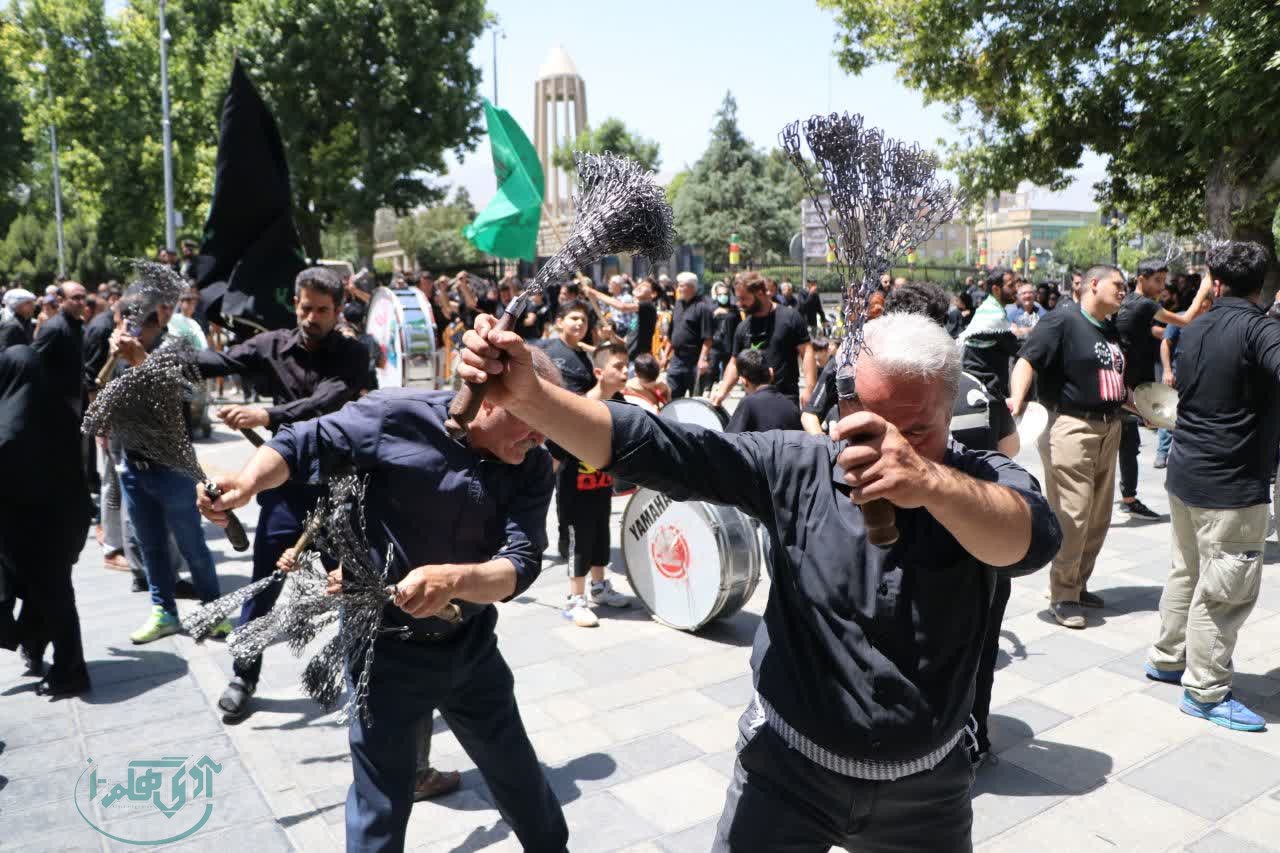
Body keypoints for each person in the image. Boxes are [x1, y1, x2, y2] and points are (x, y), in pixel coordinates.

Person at [459, 309, 1061, 853]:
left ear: (950, 411)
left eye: (915, 431)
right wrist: (532, 397)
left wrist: (930, 482)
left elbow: (1031, 540)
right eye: (868, 425)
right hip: (786, 774)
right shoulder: (797, 466)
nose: (889, 449)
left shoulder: (980, 479)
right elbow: (661, 447)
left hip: (926, 793)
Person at [199, 353, 570, 852]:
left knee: (517, 773)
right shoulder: (397, 417)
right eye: (530, 418)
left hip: (470, 648)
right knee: (380, 806)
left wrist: (456, 580)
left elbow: (521, 563)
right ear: (489, 400)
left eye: (547, 420)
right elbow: (302, 441)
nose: (540, 437)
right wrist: (246, 483)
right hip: (382, 651)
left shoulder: (532, 466)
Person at [179, 267, 368, 722]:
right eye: (305, 308)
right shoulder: (273, 345)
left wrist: (267, 415)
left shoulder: (353, 354)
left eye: (322, 310)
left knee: (355, 588)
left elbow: (326, 402)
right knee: (262, 588)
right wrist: (156, 358)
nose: (312, 317)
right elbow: (218, 361)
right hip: (284, 492)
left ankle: (368, 675)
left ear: (338, 311)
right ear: (296, 305)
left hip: (339, 493)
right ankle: (243, 676)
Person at [1145, 242, 1278, 732]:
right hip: (1231, 483)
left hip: (1186, 473)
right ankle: (1205, 690)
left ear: (1215, 282)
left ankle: (1167, 657)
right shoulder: (1260, 329)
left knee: (1187, 571)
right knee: (1224, 591)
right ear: (1262, 284)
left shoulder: (1196, 326)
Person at [1009, 265, 1128, 629]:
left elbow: (1114, 378)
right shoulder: (1061, 320)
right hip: (1071, 427)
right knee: (1073, 515)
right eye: (1118, 284)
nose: (1124, 291)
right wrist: (1018, 399)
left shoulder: (1109, 328)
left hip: (1110, 427)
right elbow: (1026, 361)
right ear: (1094, 284)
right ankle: (1063, 595)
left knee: (1098, 517)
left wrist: (1145, 407)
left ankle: (1078, 583)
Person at [109, 302, 227, 646]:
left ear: (150, 326)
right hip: (134, 466)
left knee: (192, 544)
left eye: (128, 326)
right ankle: (164, 611)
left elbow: (180, 395)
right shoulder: (119, 356)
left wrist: (139, 360)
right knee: (151, 546)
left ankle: (213, 611)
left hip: (173, 468)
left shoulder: (173, 351)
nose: (122, 333)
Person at [0, 346, 90, 697]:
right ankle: (35, 645)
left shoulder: (9, 429)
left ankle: (71, 670)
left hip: (31, 529)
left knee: (51, 596)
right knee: (49, 593)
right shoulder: (58, 411)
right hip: (65, 522)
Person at [1113, 259, 1213, 518]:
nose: (1161, 287)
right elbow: (1185, 320)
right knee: (1125, 444)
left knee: (1126, 443)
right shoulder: (1145, 304)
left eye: (1163, 281)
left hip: (1120, 382)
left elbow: (1141, 331)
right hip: (1124, 386)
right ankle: (1126, 499)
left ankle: (1127, 498)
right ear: (1141, 278)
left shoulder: (1128, 302)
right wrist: (1204, 287)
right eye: (1157, 280)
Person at [559, 342, 633, 627]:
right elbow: (555, 448)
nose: (625, 372)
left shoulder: (619, 404)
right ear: (600, 372)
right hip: (575, 491)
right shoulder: (579, 406)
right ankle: (574, 599)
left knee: (601, 536)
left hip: (601, 486)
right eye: (618, 366)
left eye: (627, 366)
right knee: (579, 542)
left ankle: (599, 587)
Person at [710, 274, 814, 408]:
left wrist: (810, 388)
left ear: (760, 293)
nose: (739, 304)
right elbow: (734, 363)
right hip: (753, 402)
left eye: (743, 298)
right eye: (738, 299)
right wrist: (722, 392)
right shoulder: (743, 327)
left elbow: (806, 352)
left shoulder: (790, 318)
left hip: (785, 398)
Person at [960, 267, 1020, 398]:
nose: (1016, 290)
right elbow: (1017, 349)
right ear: (996, 289)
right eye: (1011, 285)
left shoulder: (989, 308)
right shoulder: (994, 316)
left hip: (979, 386)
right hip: (988, 391)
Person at [33, 281, 87, 419]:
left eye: (83, 297)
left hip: (76, 395)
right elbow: (33, 361)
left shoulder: (78, 326)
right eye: (75, 298)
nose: (81, 302)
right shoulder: (54, 328)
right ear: (60, 300)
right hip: (57, 401)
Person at [723, 349, 802, 433]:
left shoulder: (748, 404)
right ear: (771, 373)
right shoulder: (791, 406)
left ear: (743, 381)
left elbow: (730, 438)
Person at [664, 272, 713, 399]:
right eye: (678, 286)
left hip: (694, 361)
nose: (679, 289)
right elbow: (671, 335)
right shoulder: (677, 305)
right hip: (676, 360)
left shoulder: (702, 308)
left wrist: (703, 359)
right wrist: (665, 356)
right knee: (671, 397)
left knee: (695, 400)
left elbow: (708, 338)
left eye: (682, 286)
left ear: (692, 287)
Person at [585, 276, 658, 361]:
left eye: (644, 286)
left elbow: (622, 307)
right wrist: (612, 334)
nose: (639, 287)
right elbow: (625, 342)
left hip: (639, 360)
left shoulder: (649, 306)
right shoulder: (636, 316)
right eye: (639, 284)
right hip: (629, 359)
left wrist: (594, 293)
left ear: (653, 294)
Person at [703, 281, 739, 396]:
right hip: (715, 344)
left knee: (727, 368)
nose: (723, 297)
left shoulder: (734, 309)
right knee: (712, 367)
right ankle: (707, 388)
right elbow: (706, 325)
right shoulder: (711, 308)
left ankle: (724, 388)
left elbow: (739, 325)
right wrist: (715, 314)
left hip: (729, 344)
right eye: (720, 294)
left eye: (725, 294)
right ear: (716, 295)